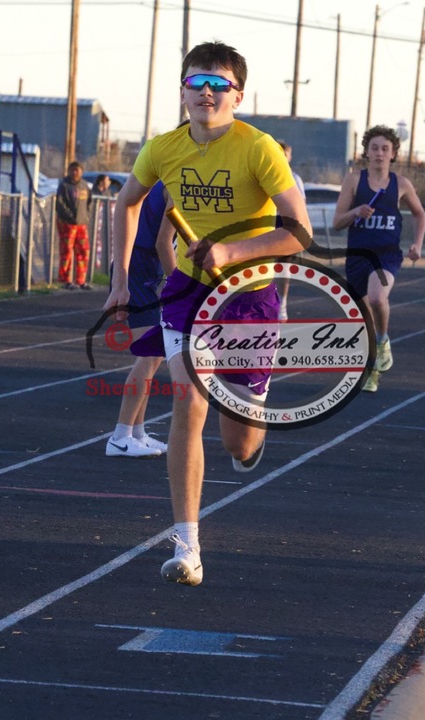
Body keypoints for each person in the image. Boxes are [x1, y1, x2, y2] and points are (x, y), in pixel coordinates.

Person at [104, 40, 312, 587]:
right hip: (189, 292)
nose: (206, 93)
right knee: (189, 399)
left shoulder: (259, 149)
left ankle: (252, 435)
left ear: (237, 95)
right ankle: (187, 546)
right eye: (196, 82)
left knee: (239, 439)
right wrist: (120, 280)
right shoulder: (162, 148)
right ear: (182, 91)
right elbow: (125, 203)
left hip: (250, 296)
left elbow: (301, 233)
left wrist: (233, 252)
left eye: (218, 84)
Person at [333, 124, 425, 393]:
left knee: (377, 297)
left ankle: (384, 341)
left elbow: (420, 214)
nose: (379, 153)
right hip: (358, 255)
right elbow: (338, 221)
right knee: (364, 319)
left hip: (387, 255)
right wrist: (356, 212)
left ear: (393, 154)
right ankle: (372, 370)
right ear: (366, 152)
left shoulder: (401, 185)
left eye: (385, 149)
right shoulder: (354, 180)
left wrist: (417, 244)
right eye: (374, 148)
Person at [105, 180, 173, 458]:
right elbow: (163, 242)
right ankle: (120, 436)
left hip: (143, 265)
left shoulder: (164, 179)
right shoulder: (175, 183)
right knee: (151, 354)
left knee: (153, 355)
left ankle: (137, 433)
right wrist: (180, 283)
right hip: (140, 266)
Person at [276, 140, 306, 320]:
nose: (282, 157)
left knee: (283, 265)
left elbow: (301, 204)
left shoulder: (294, 179)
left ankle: (282, 305)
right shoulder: (264, 172)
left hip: (286, 223)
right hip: (267, 222)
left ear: (290, 156)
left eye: (284, 154)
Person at [55, 160, 93, 290]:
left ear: (81, 171)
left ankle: (81, 280)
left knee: (83, 251)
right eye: (72, 170)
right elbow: (60, 204)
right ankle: (66, 280)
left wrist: (86, 216)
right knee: (66, 251)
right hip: (67, 224)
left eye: (77, 170)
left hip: (81, 224)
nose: (74, 172)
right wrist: (70, 217)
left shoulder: (84, 186)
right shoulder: (64, 185)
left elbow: (89, 202)